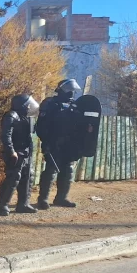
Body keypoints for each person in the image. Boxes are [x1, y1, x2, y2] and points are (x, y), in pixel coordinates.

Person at [36, 78, 82, 209]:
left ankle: (61, 198)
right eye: (69, 90)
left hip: (69, 144)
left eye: (73, 90)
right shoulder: (50, 103)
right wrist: (47, 141)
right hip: (53, 142)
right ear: (62, 90)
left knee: (68, 170)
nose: (72, 93)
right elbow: (41, 126)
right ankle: (43, 199)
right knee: (51, 170)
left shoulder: (75, 105)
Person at [0, 94, 40, 216]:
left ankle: (23, 204)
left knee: (28, 177)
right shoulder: (11, 116)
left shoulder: (27, 117)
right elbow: (6, 136)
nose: (30, 106)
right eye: (27, 104)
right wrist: (11, 151)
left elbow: (34, 132)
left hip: (26, 152)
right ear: (22, 104)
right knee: (13, 177)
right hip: (15, 152)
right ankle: (2, 206)